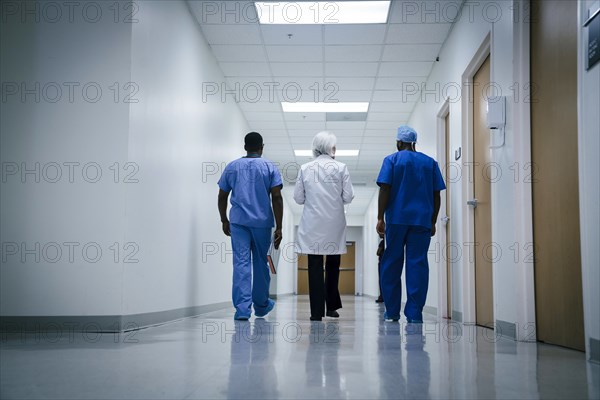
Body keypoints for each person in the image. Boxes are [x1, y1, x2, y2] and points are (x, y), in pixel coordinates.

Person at [376, 125, 446, 323]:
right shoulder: (429, 163)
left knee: (391, 264)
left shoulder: (391, 160)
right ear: (414, 143)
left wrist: (380, 217)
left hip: (397, 220)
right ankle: (415, 314)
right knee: (418, 264)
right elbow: (436, 195)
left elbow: (385, 189)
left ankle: (391, 311)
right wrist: (432, 221)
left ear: (399, 142)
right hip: (422, 221)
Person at [217, 132, 284, 320]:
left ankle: (242, 310)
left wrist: (224, 219)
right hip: (262, 223)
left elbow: (222, 196)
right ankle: (261, 306)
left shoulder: (232, 167)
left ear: (245, 147)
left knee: (241, 263)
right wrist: (279, 227)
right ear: (262, 147)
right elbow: (277, 197)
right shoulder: (269, 167)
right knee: (261, 264)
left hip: (238, 223)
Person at [294, 131, 354, 321]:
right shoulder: (341, 167)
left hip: (312, 223)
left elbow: (298, 198)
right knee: (333, 265)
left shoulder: (305, 168)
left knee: (315, 266)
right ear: (332, 149)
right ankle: (332, 307)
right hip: (334, 223)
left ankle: (316, 312)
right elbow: (348, 197)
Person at [376, 233, 385, 303]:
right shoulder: (390, 241)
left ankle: (382, 296)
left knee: (381, 280)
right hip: (387, 262)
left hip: (382, 263)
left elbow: (378, 252)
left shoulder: (382, 242)